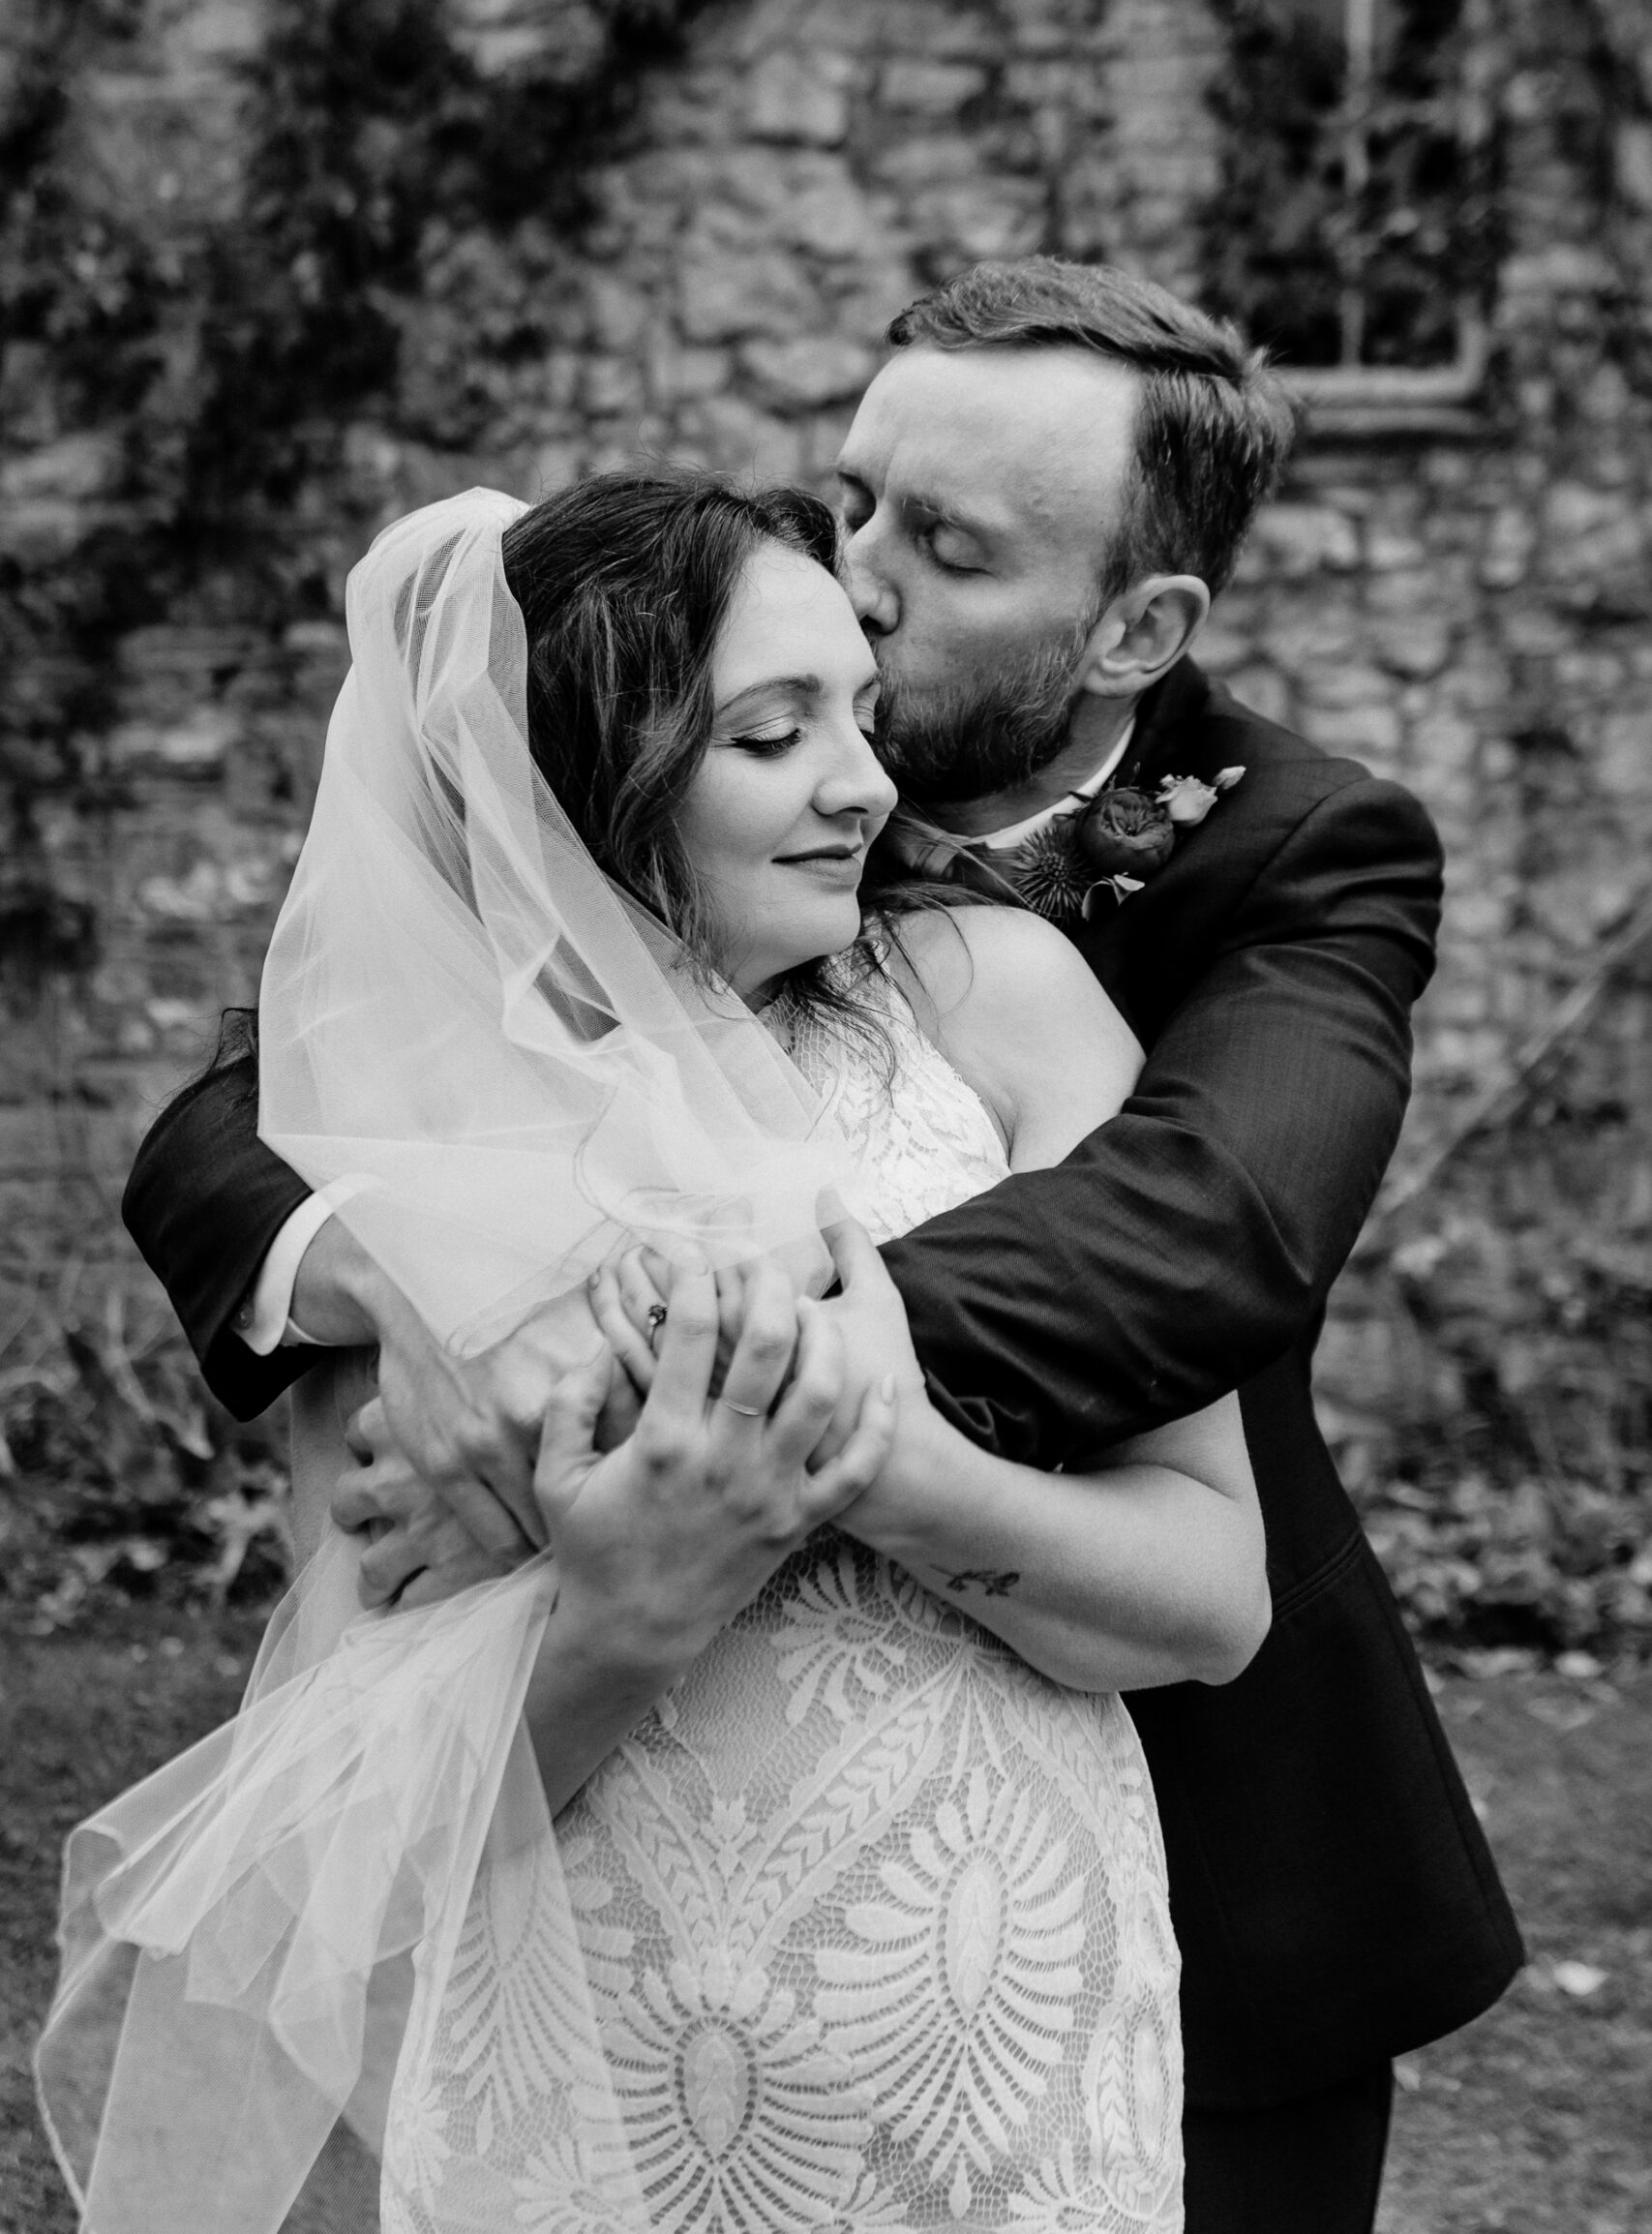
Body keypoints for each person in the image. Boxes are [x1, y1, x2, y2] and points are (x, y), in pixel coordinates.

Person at [120, 258, 1524, 2234]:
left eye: (937, 546)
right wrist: (370, 1251)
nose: (855, 575)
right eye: (852, 496)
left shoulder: (1288, 854)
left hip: (1193, 1840)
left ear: (1134, 625)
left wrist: (665, 1367)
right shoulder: (541, 941)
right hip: (632, 1970)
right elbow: (251, 1115)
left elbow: (1204, 1221)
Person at [45, 472, 1274, 2233]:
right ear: (579, 782)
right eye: (773, 735)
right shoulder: (403, 1162)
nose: (864, 781)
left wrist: (872, 1459)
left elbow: (1215, 1598)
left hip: (1005, 2041)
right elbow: (340, 1850)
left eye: (858, 708)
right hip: (584, 2090)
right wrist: (629, 1608)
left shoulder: (997, 1008)